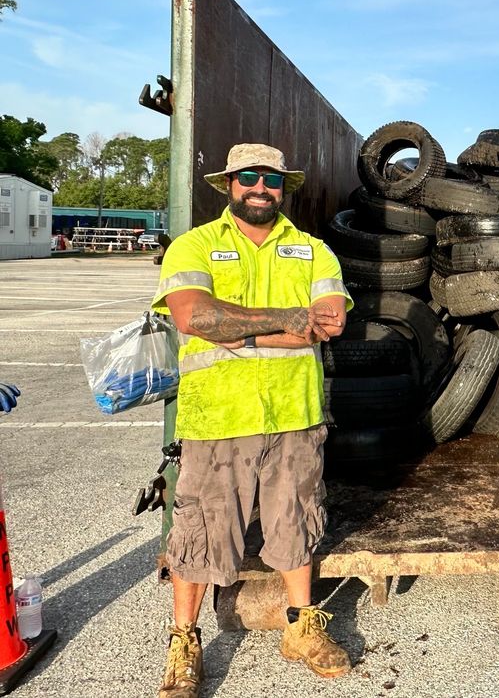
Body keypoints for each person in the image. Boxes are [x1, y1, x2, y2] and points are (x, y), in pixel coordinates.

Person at [151, 144, 352, 698]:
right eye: (249, 177)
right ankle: (183, 642)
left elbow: (328, 324)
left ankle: (301, 627)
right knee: (199, 530)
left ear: (283, 186)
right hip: (218, 415)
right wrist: (288, 320)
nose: (260, 186)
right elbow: (194, 316)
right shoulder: (194, 246)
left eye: (271, 178)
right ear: (229, 184)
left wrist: (237, 326)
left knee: (297, 519)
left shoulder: (315, 252)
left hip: (294, 412)